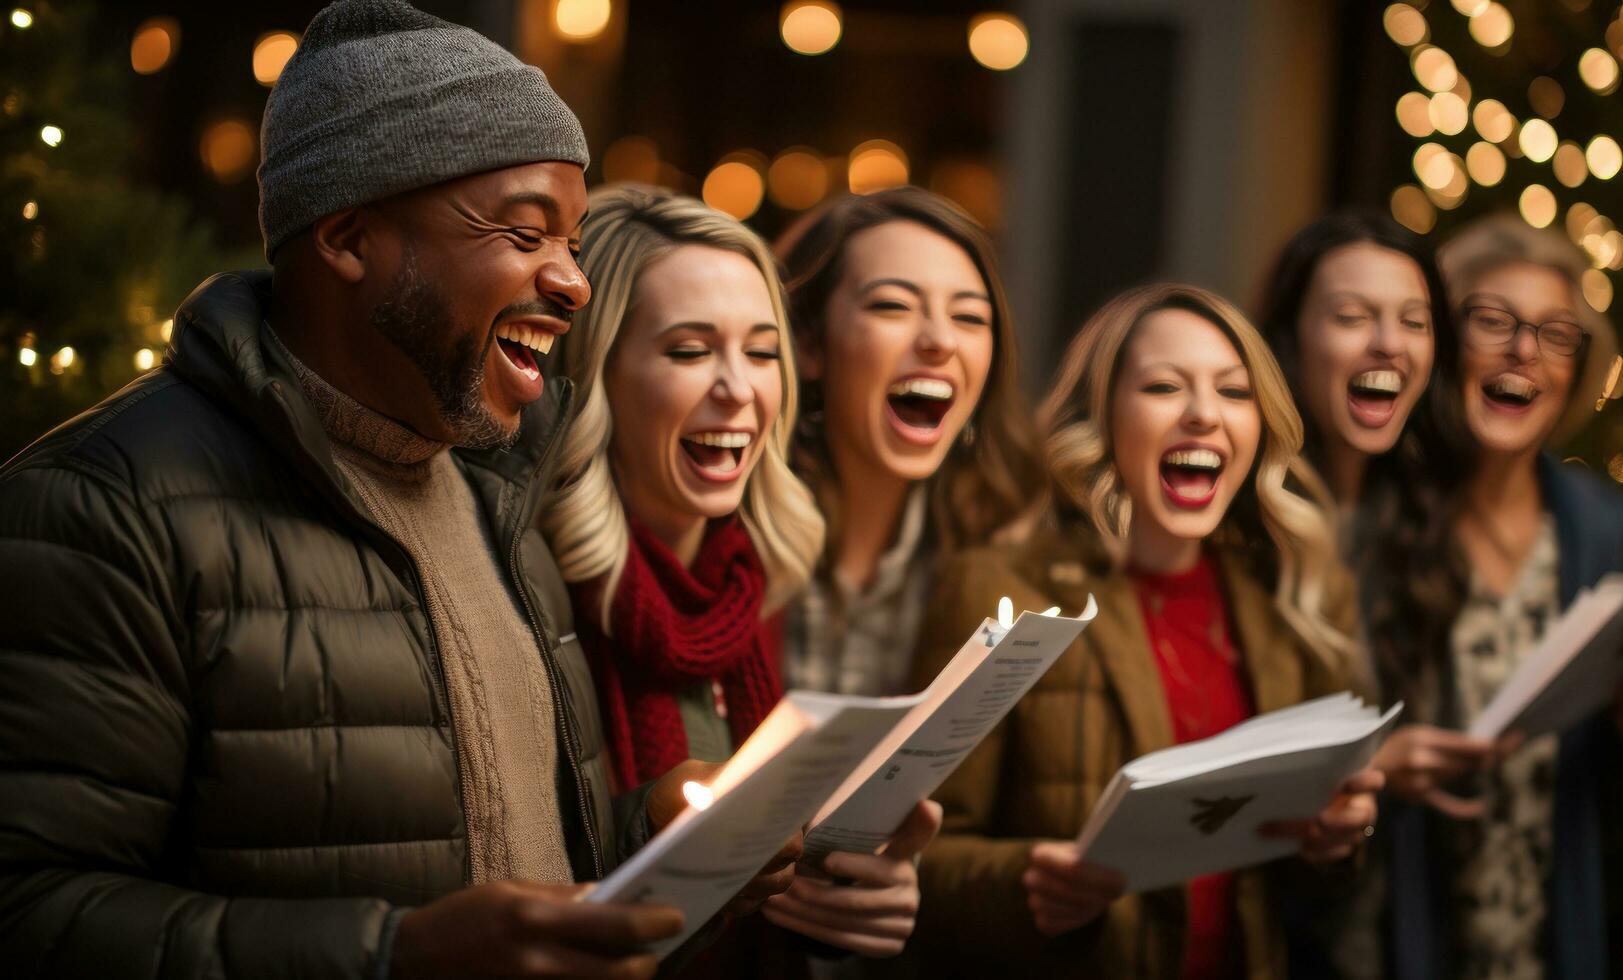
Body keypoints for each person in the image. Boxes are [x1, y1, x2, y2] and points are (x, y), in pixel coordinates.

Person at [0, 3, 786, 977]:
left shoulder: (501, 498)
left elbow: (506, 859)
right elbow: (34, 910)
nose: (573, 282)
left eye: (574, 241)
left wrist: (653, 834)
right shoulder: (101, 509)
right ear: (349, 238)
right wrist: (395, 955)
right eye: (526, 232)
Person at [902, 282, 1382, 977]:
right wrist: (1022, 884)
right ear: (1104, 415)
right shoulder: (998, 586)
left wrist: (1335, 840)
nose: (1203, 415)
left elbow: (1303, 886)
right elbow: (914, 849)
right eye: (1163, 387)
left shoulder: (1283, 604)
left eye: (1233, 392)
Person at [540, 186, 937, 968]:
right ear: (598, 375)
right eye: (689, 351)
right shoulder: (535, 594)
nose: (739, 389)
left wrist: (850, 889)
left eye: (760, 352)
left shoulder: (759, 585)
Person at [1379, 214, 1623, 980]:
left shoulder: (1591, 525)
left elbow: (1594, 770)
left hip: (1538, 943)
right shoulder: (1380, 517)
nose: (1524, 351)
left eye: (1556, 334)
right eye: (1492, 321)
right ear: (1440, 344)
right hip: (1399, 936)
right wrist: (1377, 771)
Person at [1256, 212, 1482, 977]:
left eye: (1413, 322)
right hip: (1261, 931)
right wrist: (1377, 763)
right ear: (1290, 341)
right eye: (1352, 317)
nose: (1388, 342)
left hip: (1390, 928)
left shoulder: (1421, 513)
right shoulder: (1236, 519)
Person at [771, 187, 1043, 701]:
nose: (940, 340)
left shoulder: (1014, 559)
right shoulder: (732, 542)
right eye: (893, 306)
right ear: (808, 344)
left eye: (969, 317)